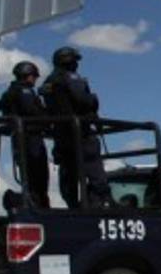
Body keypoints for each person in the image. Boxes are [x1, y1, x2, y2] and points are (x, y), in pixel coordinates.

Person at [40, 46, 110, 208]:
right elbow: (83, 101)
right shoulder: (71, 78)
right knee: (94, 170)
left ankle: (74, 205)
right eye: (75, 61)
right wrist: (93, 99)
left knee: (69, 173)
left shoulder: (49, 81)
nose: (77, 65)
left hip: (61, 135)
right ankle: (98, 204)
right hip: (81, 133)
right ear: (69, 61)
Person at [0, 60, 50, 208]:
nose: (35, 80)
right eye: (34, 77)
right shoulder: (24, 91)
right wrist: (48, 117)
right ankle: (39, 205)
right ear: (28, 76)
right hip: (31, 138)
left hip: (21, 139)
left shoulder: (10, 91)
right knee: (38, 177)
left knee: (29, 176)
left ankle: (35, 202)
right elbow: (32, 112)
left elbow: (3, 106)